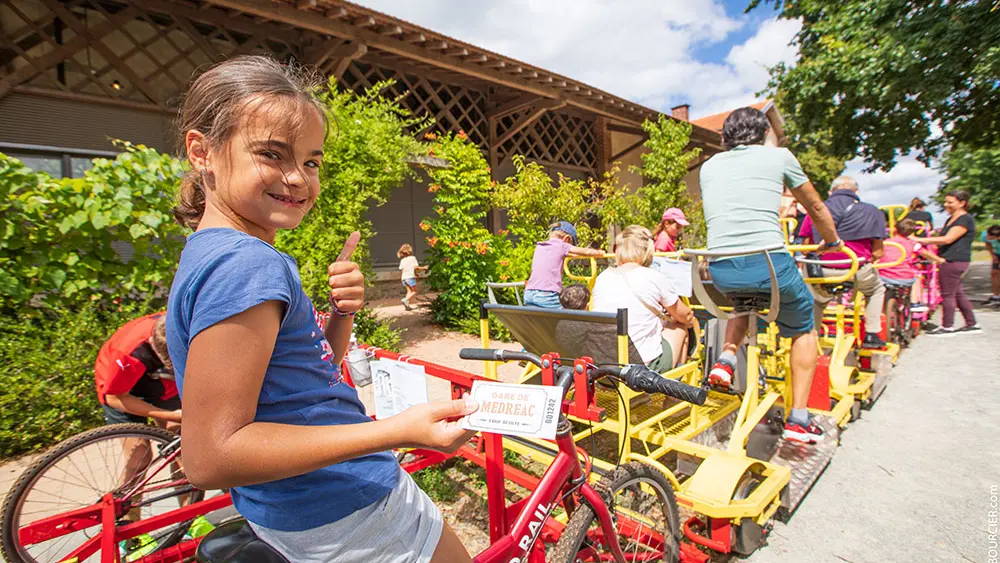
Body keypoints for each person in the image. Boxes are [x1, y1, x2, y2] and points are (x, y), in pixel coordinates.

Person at [165, 56, 478, 563]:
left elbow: (306, 380)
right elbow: (210, 455)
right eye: (272, 154)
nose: (297, 178)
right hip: (348, 509)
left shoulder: (217, 252)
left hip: (300, 506)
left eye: (311, 161)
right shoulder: (247, 263)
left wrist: (341, 314)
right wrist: (399, 430)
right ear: (202, 152)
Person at [699, 107, 842, 444]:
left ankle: (727, 357)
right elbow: (817, 208)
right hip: (768, 264)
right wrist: (833, 242)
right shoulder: (779, 157)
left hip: (720, 269)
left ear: (725, 137)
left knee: (743, 301)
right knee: (804, 327)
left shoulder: (709, 166)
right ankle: (799, 418)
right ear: (765, 134)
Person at [798, 176, 888, 348]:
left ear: (831, 191)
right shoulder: (872, 211)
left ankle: (811, 340)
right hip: (855, 269)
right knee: (876, 289)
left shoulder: (816, 210)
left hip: (820, 271)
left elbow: (804, 248)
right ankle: (871, 333)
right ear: (856, 192)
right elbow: (878, 251)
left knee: (816, 299)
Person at [591, 225, 695, 371]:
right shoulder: (655, 277)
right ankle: (673, 390)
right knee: (680, 327)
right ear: (647, 251)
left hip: (604, 366)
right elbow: (686, 315)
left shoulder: (602, 278)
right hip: (639, 371)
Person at [915, 190, 980, 335]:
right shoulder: (952, 218)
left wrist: (920, 240)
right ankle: (971, 323)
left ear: (962, 203)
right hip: (952, 259)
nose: (946, 205)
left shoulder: (964, 219)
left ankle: (947, 326)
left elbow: (948, 239)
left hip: (953, 260)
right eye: (946, 202)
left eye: (950, 202)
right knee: (957, 293)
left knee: (947, 294)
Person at [523, 221, 603, 308]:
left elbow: (569, 254)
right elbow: (586, 251)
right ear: (567, 239)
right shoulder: (561, 245)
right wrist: (598, 253)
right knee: (565, 314)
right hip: (547, 294)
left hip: (529, 293)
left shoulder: (540, 247)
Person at [878, 218, 944, 307]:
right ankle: (914, 303)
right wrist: (940, 260)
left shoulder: (886, 242)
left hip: (884, 275)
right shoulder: (913, 244)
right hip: (904, 275)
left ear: (895, 230)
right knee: (916, 278)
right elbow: (927, 254)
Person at [397, 243, 426, 310]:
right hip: (410, 277)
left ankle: (407, 305)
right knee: (414, 291)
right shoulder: (413, 258)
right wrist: (424, 268)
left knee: (409, 291)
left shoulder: (402, 260)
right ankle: (405, 299)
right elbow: (416, 267)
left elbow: (402, 269)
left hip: (404, 278)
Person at [980, 225, 1000, 305]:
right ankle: (996, 297)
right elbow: (988, 244)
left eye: (990, 237)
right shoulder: (985, 234)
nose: (988, 237)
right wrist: (993, 255)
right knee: (994, 273)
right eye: (988, 235)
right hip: (997, 253)